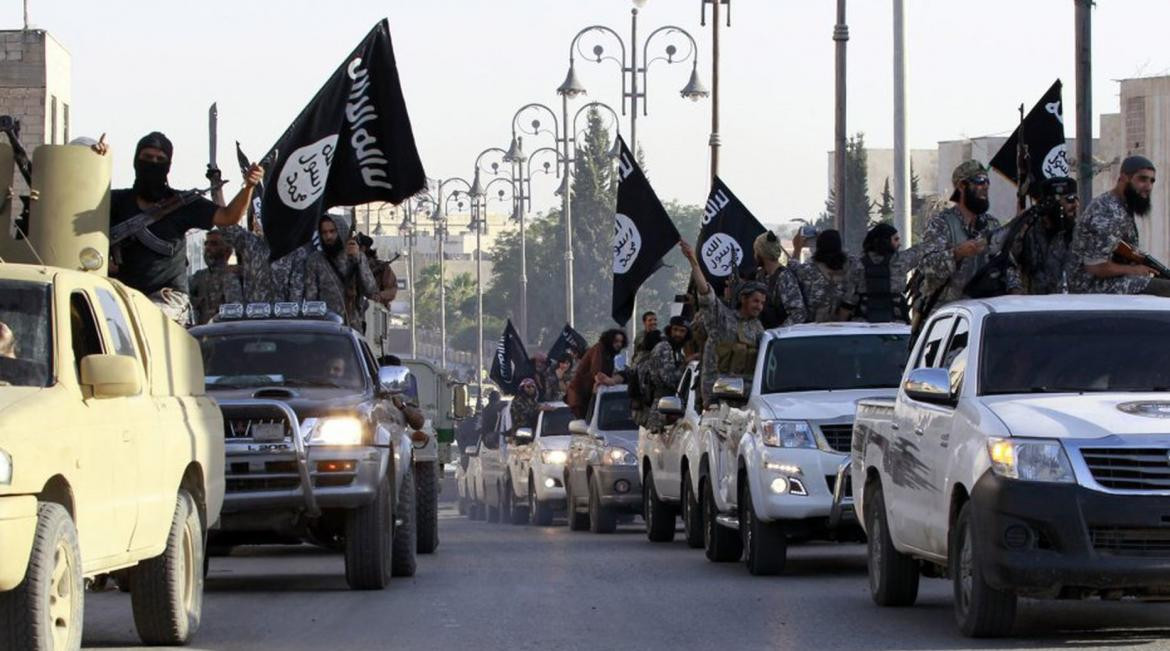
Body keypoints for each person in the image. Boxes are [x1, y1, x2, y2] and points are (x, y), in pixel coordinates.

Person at [108, 132, 263, 323]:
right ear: (136, 161)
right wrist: (94, 158)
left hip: (167, 298)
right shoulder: (115, 202)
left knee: (144, 322)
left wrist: (248, 187)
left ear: (168, 166)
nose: (153, 163)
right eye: (147, 158)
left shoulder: (182, 204)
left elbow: (229, 216)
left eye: (160, 159)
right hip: (121, 294)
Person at [680, 240, 766, 407]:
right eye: (755, 301)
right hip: (717, 400)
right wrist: (693, 260)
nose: (759, 306)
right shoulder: (722, 319)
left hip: (748, 401)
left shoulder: (758, 328)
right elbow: (705, 293)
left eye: (762, 303)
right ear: (743, 299)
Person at [1068, 156, 1170, 296]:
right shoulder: (1108, 212)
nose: (1148, 187)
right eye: (1142, 179)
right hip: (1090, 287)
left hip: (1106, 281)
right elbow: (1096, 267)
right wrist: (1134, 270)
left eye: (1152, 181)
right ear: (1124, 178)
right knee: (1165, 288)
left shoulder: (1121, 206)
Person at [914, 159, 1002, 319]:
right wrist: (957, 253)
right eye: (980, 181)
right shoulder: (941, 223)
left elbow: (1004, 264)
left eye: (987, 181)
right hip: (946, 318)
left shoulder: (991, 225)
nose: (986, 186)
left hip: (982, 315)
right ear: (962, 186)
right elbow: (926, 265)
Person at [1008, 176, 1080, 295]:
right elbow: (1010, 262)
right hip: (1036, 307)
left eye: (1076, 199)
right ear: (1051, 203)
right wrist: (1015, 290)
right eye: (1070, 199)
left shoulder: (1080, 234)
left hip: (1071, 307)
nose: (1075, 205)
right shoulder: (1028, 232)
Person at [305, 215, 379, 327]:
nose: (328, 236)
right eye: (324, 232)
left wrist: (358, 260)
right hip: (326, 328)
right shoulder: (315, 260)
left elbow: (371, 290)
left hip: (352, 328)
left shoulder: (357, 257)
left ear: (341, 231)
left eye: (332, 231)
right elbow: (311, 300)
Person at [842, 223, 923, 323]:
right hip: (896, 324)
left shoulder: (857, 264)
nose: (899, 244)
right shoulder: (902, 261)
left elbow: (848, 300)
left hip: (863, 323)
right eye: (896, 239)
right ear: (885, 241)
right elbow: (926, 249)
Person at [637, 316, 695, 429]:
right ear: (670, 330)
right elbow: (670, 379)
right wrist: (685, 364)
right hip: (662, 412)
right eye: (675, 330)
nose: (678, 334)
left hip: (670, 407)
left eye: (682, 331)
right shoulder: (664, 348)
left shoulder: (676, 351)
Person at [790, 229, 852, 322]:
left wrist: (797, 248)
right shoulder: (849, 268)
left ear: (818, 245)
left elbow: (791, 271)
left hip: (813, 327)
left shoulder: (809, 269)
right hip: (841, 325)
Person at [567, 329, 628, 419]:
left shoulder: (610, 354)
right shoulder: (599, 349)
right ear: (609, 340)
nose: (619, 344)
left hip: (593, 394)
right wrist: (603, 380)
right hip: (581, 397)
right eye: (616, 341)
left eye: (621, 342)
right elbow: (596, 372)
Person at [750, 231, 807, 328]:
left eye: (756, 251)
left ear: (762, 254)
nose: (755, 255)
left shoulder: (784, 278)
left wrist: (778, 332)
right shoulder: (760, 276)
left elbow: (799, 314)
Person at [188, 231, 243, 325]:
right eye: (206, 244)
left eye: (214, 244)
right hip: (203, 334)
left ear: (227, 251)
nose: (208, 248)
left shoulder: (237, 275)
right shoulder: (199, 277)